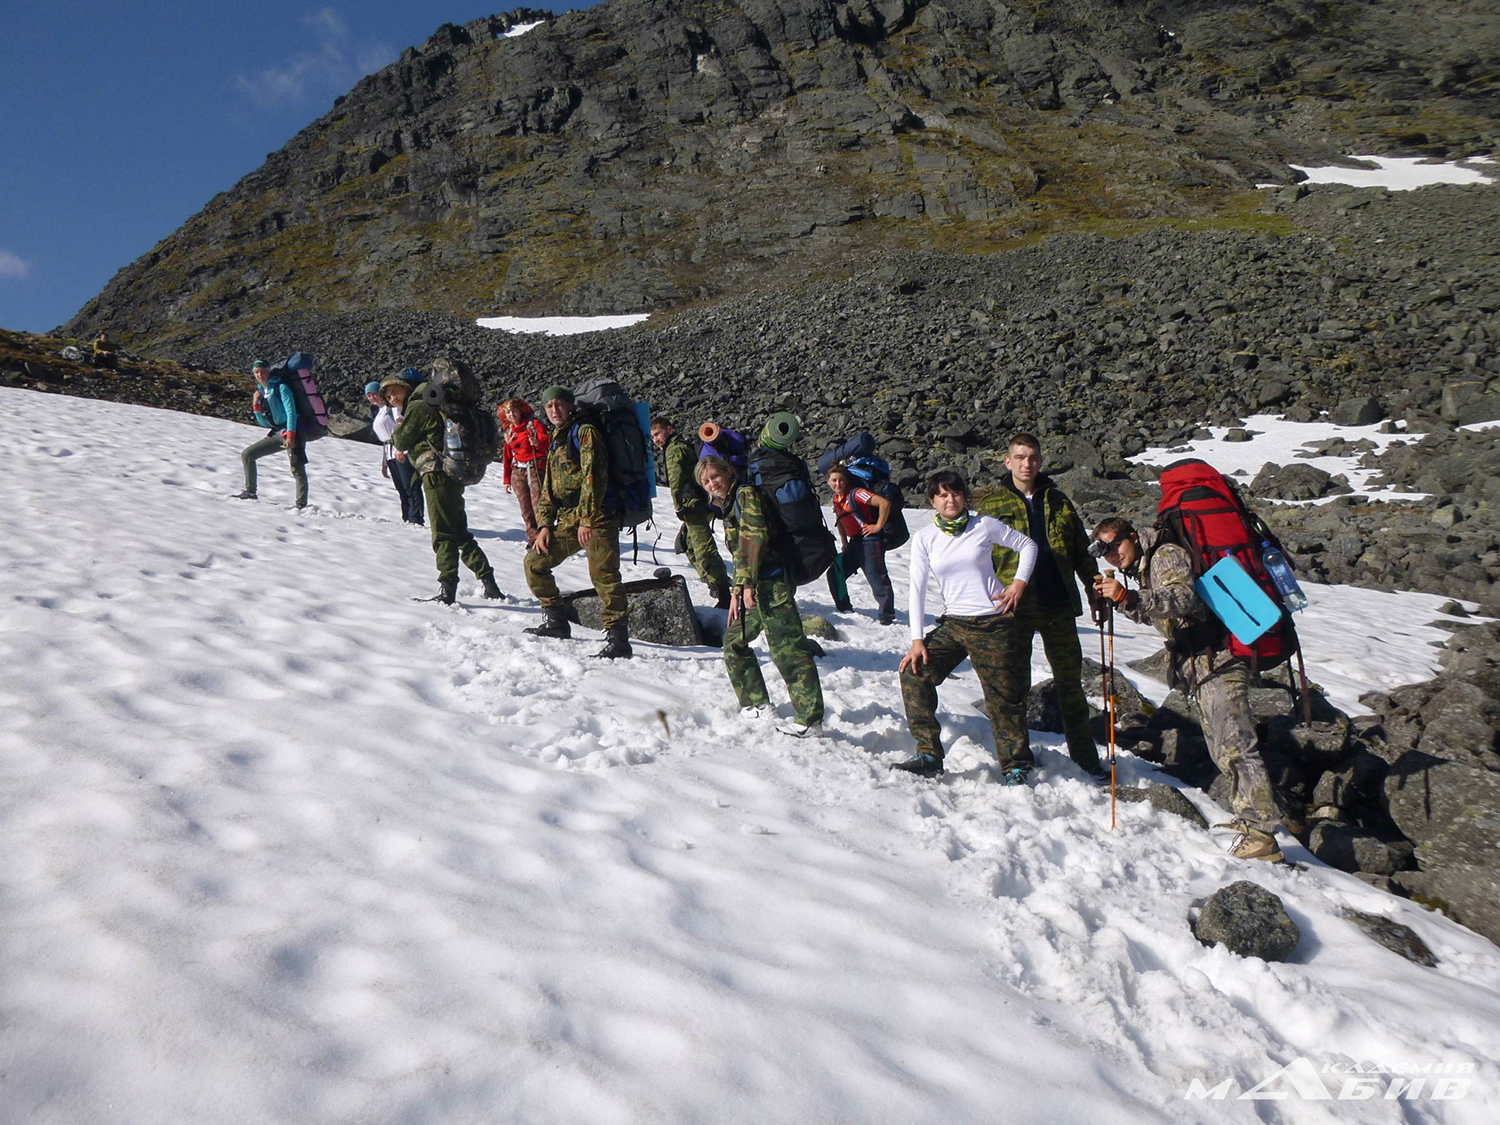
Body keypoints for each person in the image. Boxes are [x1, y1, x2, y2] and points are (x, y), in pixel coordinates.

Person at [1092, 517, 1285, 863]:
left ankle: (1262, 836)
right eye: (1104, 552)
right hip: (1201, 663)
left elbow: (1181, 598)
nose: (1111, 555)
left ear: (1133, 537)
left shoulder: (1165, 554)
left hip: (1218, 658)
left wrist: (1129, 596)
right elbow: (1161, 613)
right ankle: (1249, 818)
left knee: (1236, 746)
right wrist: (1125, 601)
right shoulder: (1142, 565)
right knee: (1222, 744)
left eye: (1114, 545)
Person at [975, 433, 1106, 781]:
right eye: (1019, 457)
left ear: (1040, 461)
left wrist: (1095, 589)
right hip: (1012, 609)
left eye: (1032, 457)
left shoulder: (1060, 501)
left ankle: (1085, 759)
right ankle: (1017, 760)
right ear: (1007, 461)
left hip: (1057, 604)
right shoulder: (992, 505)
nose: (1026, 464)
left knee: (1071, 684)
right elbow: (977, 558)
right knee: (1013, 686)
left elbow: (1081, 550)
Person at [896, 469, 1038, 782]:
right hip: (954, 623)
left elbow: (1028, 546)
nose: (950, 499)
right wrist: (917, 640)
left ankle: (1016, 764)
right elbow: (916, 588)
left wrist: (1017, 585)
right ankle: (929, 755)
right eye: (942, 495)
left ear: (964, 496)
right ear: (932, 500)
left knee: (1003, 695)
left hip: (993, 623)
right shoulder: (925, 538)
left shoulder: (983, 525)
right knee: (913, 673)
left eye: (956, 493)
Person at [697, 451, 824, 737]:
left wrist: (746, 584)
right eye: (705, 481)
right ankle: (756, 703)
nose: (711, 483)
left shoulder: (745, 496)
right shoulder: (730, 504)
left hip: (771, 584)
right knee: (734, 641)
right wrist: (739, 588)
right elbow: (744, 547)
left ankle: (810, 720)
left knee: (789, 650)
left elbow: (755, 537)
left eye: (715, 476)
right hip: (754, 586)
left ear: (728, 472)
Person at [522, 385, 632, 659]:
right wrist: (545, 525)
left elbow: (594, 477)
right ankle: (556, 621)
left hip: (598, 516)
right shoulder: (558, 438)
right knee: (535, 563)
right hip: (571, 517)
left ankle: (618, 639)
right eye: (549, 406)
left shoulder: (585, 432)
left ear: (570, 406)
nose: (554, 410)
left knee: (604, 576)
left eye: (559, 404)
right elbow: (548, 488)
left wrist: (587, 519)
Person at [384, 373, 502, 604]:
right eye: (388, 396)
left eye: (395, 391)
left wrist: (400, 427)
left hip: (435, 474)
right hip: (452, 472)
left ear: (407, 387)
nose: (392, 398)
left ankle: (447, 589)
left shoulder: (418, 405)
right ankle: (489, 582)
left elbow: (401, 441)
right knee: (459, 531)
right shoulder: (434, 403)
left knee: (442, 532)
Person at [652, 417, 731, 608]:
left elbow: (676, 479)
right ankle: (713, 582)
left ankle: (723, 593)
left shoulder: (674, 449)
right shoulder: (681, 445)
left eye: (657, 434)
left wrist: (678, 505)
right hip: (699, 503)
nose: (655, 440)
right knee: (686, 543)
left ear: (669, 430)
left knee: (704, 549)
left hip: (692, 505)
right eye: (652, 437)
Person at [826, 464, 896, 624]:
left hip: (870, 541)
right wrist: (844, 542)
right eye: (834, 480)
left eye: (841, 480)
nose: (838, 484)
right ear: (828, 482)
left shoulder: (857, 494)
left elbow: (884, 504)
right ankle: (844, 609)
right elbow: (841, 522)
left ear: (847, 481)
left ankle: (887, 615)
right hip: (854, 543)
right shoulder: (837, 500)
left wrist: (877, 526)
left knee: (876, 577)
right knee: (835, 573)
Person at [235, 358, 309, 509]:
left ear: (268, 371)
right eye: (256, 372)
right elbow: (264, 423)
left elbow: (291, 412)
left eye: (262, 371)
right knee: (247, 454)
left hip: (294, 431)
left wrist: (291, 435)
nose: (260, 375)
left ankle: (301, 505)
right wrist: (255, 404)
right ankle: (250, 491)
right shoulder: (263, 392)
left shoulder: (281, 388)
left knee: (297, 467)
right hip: (279, 432)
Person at [369, 379, 424, 525]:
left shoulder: (393, 409)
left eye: (374, 394)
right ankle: (407, 517)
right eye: (369, 395)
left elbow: (402, 426)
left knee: (410, 485)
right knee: (401, 488)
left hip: (401, 450)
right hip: (390, 451)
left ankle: (415, 518)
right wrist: (384, 462)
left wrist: (402, 447)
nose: (372, 397)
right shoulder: (382, 411)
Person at [500, 399, 549, 544]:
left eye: (514, 411)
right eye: (508, 412)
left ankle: (544, 535)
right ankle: (533, 537)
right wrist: (507, 479)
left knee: (538, 504)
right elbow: (507, 457)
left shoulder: (533, 425)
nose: (511, 414)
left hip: (535, 467)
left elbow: (547, 443)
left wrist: (538, 444)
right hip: (518, 470)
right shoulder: (509, 433)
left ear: (520, 411)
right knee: (525, 507)